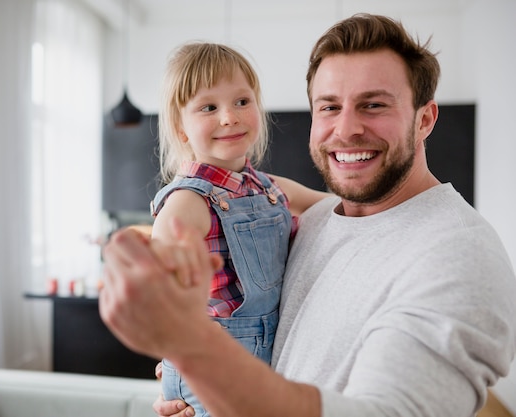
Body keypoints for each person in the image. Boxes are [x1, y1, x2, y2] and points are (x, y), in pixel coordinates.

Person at [98, 13, 516, 417]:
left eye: (373, 105)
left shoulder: (459, 254)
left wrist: (195, 352)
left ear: (424, 119)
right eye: (329, 107)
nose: (347, 129)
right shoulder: (319, 218)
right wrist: (204, 383)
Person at [149, 41, 328, 417]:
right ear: (181, 130)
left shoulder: (268, 187)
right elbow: (155, 297)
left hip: (262, 362)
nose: (229, 116)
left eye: (242, 101)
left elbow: (334, 207)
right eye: (209, 107)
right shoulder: (187, 202)